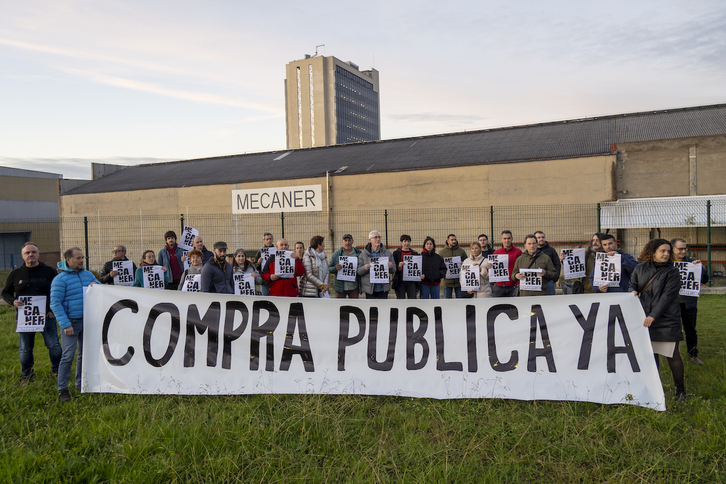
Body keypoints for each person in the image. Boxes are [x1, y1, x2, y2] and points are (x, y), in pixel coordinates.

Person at [629, 239, 686, 401]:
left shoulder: (672, 272)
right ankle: (654, 388)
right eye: (663, 251)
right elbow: (633, 285)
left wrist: (653, 315)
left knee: (672, 355)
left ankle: (680, 391)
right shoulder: (639, 269)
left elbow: (667, 297)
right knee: (650, 355)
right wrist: (632, 291)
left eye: (668, 251)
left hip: (666, 319)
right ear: (652, 251)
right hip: (645, 319)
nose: (666, 254)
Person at [2, 242, 61, 383]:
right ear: (22, 256)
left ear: (38, 254)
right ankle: (27, 375)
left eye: (34, 252)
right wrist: (13, 302)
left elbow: (58, 292)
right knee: (25, 349)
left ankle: (57, 371)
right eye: (27, 253)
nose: (31, 255)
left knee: (54, 346)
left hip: (48, 317)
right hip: (25, 319)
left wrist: (52, 310)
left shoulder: (50, 271)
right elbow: (6, 293)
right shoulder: (15, 274)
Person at [50, 247, 99, 403]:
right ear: (68, 260)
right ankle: (62, 388)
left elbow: (100, 290)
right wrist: (65, 324)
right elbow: (55, 303)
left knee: (84, 354)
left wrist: (96, 286)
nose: (81, 261)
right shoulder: (60, 279)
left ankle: (81, 383)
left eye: (82, 258)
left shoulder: (88, 275)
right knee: (68, 356)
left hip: (88, 321)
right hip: (71, 323)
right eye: (78, 258)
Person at [671, 238, 709, 365]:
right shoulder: (667, 264)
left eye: (684, 248)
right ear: (673, 249)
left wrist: (700, 267)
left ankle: (693, 355)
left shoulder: (692, 263)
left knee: (690, 330)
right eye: (680, 249)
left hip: (689, 303)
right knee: (672, 330)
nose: (683, 251)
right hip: (671, 304)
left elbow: (704, 280)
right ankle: (672, 355)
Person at [357, 230, 396, 299]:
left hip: (383, 288)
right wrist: (364, 268)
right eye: (375, 237)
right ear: (370, 240)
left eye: (379, 237)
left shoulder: (387, 253)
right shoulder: (363, 255)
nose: (378, 239)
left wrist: (391, 266)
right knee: (371, 309)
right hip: (370, 289)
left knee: (383, 309)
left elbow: (394, 270)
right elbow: (358, 271)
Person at [329, 234, 362, 298]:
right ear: (342, 242)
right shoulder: (336, 254)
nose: (347, 243)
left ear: (352, 241)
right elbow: (329, 268)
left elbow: (362, 267)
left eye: (349, 240)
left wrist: (358, 269)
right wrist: (335, 268)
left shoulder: (358, 254)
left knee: (354, 306)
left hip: (354, 287)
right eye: (345, 240)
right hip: (340, 287)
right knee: (339, 306)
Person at [492, 230, 522, 297]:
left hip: (513, 286)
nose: (507, 240)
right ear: (501, 239)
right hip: (499, 286)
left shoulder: (518, 252)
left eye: (508, 238)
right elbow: (492, 270)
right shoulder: (496, 253)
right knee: (498, 306)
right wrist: (489, 267)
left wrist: (517, 282)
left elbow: (521, 268)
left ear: (512, 239)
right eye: (504, 238)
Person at [439, 234, 467, 299]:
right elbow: (438, 264)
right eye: (452, 240)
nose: (454, 241)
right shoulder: (442, 252)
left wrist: (463, 263)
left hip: (459, 281)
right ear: (447, 241)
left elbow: (467, 262)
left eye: (455, 240)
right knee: (448, 301)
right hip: (447, 281)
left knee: (460, 300)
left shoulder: (461, 251)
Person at [392, 235, 420, 299]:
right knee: (401, 300)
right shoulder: (396, 253)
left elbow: (418, 267)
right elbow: (393, 267)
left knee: (412, 299)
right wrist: (399, 266)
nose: (407, 243)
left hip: (411, 281)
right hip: (400, 281)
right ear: (401, 242)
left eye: (408, 241)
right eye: (405, 241)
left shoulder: (415, 253)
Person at [535, 231, 561, 295]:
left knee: (550, 302)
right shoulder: (530, 251)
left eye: (543, 237)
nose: (541, 239)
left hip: (549, 282)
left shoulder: (552, 250)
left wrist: (554, 279)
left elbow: (557, 265)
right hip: (535, 283)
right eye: (539, 237)